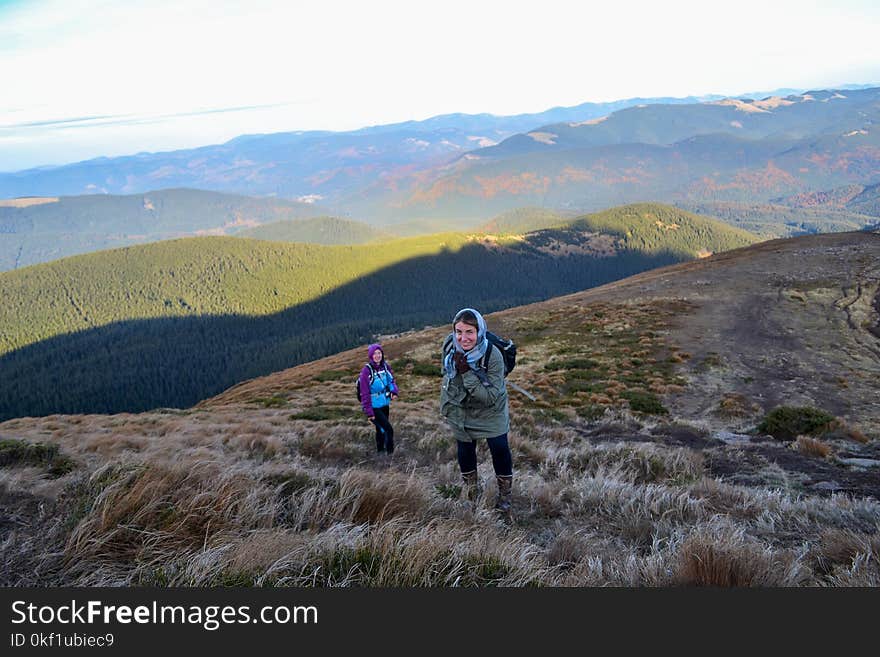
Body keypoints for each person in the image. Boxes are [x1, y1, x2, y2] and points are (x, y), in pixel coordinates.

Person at [440, 308, 514, 514]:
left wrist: (466, 373)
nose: (463, 338)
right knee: (465, 449)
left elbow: (490, 397)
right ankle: (472, 493)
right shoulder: (449, 346)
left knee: (499, 448)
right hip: (461, 409)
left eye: (469, 332)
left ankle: (505, 499)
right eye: (459, 331)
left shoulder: (494, 355)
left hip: (491, 411)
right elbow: (446, 374)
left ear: (479, 331)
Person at [359, 343, 399, 456]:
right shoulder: (366, 371)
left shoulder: (385, 367)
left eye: (379, 353)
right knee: (388, 429)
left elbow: (391, 381)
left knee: (380, 429)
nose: (378, 355)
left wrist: (394, 391)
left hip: (384, 403)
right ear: (371, 355)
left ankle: (380, 452)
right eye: (375, 353)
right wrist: (369, 412)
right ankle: (390, 455)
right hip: (374, 406)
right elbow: (364, 393)